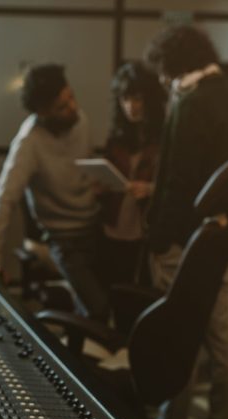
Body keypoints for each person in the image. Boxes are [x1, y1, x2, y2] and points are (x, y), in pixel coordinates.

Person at [144, 26, 228, 419]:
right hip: (221, 236)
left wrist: (158, 240)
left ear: (173, 63)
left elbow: (178, 182)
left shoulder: (189, 105)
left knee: (181, 332)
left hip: (184, 239)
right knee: (222, 335)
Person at [0, 63, 110, 322]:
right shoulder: (29, 143)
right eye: (61, 107)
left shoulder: (80, 119)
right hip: (64, 240)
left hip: (96, 227)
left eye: (71, 97)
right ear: (42, 113)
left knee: (123, 300)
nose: (73, 107)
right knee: (99, 309)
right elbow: (3, 201)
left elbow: (82, 165)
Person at [97, 61, 166, 287]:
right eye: (124, 99)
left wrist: (150, 189)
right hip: (114, 224)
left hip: (146, 226)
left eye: (137, 98)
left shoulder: (164, 136)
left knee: (142, 287)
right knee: (115, 284)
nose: (131, 106)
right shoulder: (116, 137)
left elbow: (174, 184)